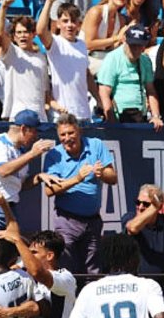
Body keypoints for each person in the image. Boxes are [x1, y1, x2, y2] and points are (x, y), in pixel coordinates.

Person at [39, 113, 117, 274]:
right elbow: (49, 190)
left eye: (71, 133)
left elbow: (113, 177)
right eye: (63, 134)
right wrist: (77, 178)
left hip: (93, 220)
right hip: (66, 221)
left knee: (93, 269)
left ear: (79, 131)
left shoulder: (96, 145)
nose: (67, 138)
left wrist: (101, 173)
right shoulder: (54, 155)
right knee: (66, 268)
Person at [0, 110, 55, 243]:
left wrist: (39, 177)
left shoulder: (20, 152)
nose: (36, 136)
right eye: (34, 131)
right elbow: (3, 170)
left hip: (10, 211)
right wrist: (32, 154)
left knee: (7, 257)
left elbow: (19, 185)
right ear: (23, 129)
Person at [39, 0, 95, 122]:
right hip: (62, 114)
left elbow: (87, 75)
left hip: (84, 113)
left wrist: (99, 100)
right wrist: (49, 1)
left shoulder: (82, 44)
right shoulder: (55, 43)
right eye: (65, 21)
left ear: (79, 25)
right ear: (58, 23)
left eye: (73, 21)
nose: (69, 25)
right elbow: (40, 31)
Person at [97, 25, 164, 128]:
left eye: (139, 45)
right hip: (118, 117)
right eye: (132, 45)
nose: (135, 49)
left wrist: (156, 116)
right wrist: (112, 121)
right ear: (124, 41)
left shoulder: (145, 61)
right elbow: (104, 93)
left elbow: (151, 91)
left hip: (140, 116)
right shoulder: (112, 59)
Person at [0, 0, 48, 122]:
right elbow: (1, 34)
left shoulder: (41, 57)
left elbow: (45, 89)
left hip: (40, 116)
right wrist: (3, 8)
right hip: (17, 113)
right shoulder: (13, 53)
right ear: (13, 36)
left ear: (33, 34)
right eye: (19, 32)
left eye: (26, 32)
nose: (22, 35)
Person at [123, 183, 164, 276]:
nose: (140, 207)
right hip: (136, 284)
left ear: (159, 207)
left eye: (146, 204)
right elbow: (133, 228)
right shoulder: (129, 217)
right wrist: (154, 206)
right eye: (138, 202)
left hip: (160, 285)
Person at [83, 0, 131, 76]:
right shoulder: (96, 12)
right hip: (87, 57)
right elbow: (88, 44)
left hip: (106, 57)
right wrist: (116, 38)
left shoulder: (121, 19)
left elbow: (112, 47)